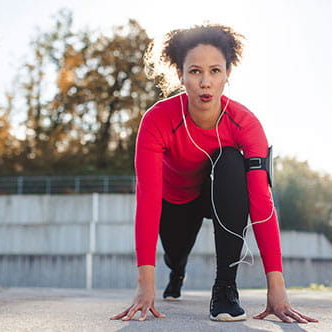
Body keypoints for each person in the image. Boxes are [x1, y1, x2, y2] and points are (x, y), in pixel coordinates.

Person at [110, 24, 318, 324]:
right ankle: (177, 272)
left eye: (215, 71)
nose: (205, 82)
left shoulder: (245, 124)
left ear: (227, 74)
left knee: (232, 161)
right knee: (175, 253)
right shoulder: (158, 119)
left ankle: (225, 289)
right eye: (195, 71)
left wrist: (278, 289)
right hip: (177, 201)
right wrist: (145, 286)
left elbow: (261, 202)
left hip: (217, 193)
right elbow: (148, 199)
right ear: (180, 75)